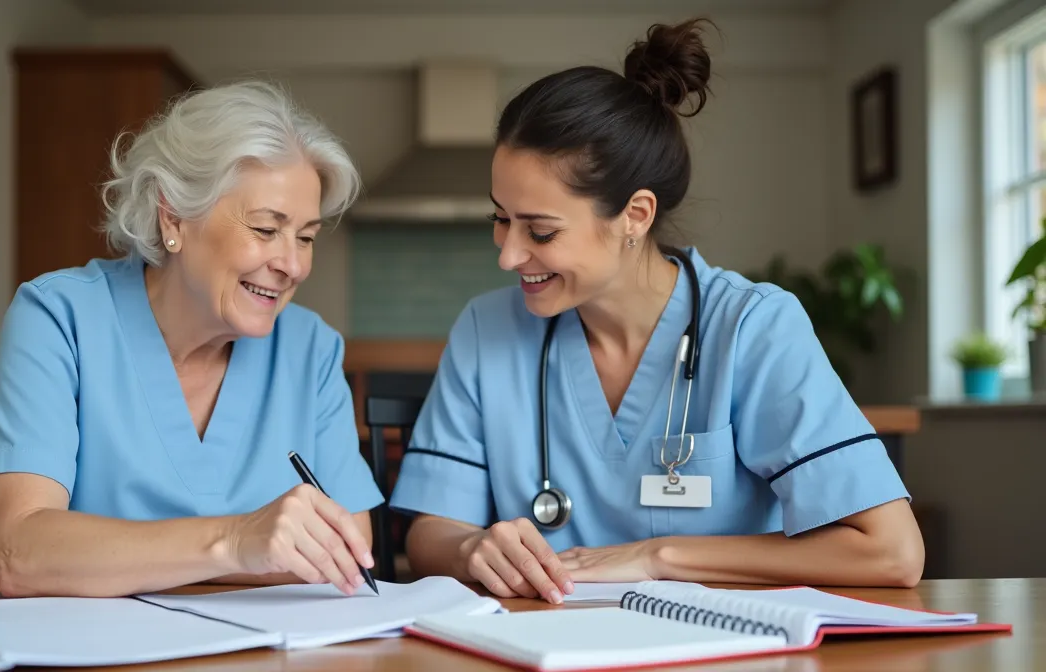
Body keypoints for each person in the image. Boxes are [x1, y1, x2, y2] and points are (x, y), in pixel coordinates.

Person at [388, 18, 925, 605]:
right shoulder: (486, 330)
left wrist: (655, 558)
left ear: (635, 216)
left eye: (540, 230)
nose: (509, 254)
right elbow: (429, 533)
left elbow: (892, 552)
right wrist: (472, 548)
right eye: (500, 218)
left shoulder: (753, 328)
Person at [0, 81, 384, 598]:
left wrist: (127, 558)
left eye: (306, 236)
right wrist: (235, 540)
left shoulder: (311, 349)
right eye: (266, 229)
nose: (294, 264)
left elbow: (349, 551)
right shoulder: (58, 317)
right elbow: (23, 553)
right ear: (173, 216)